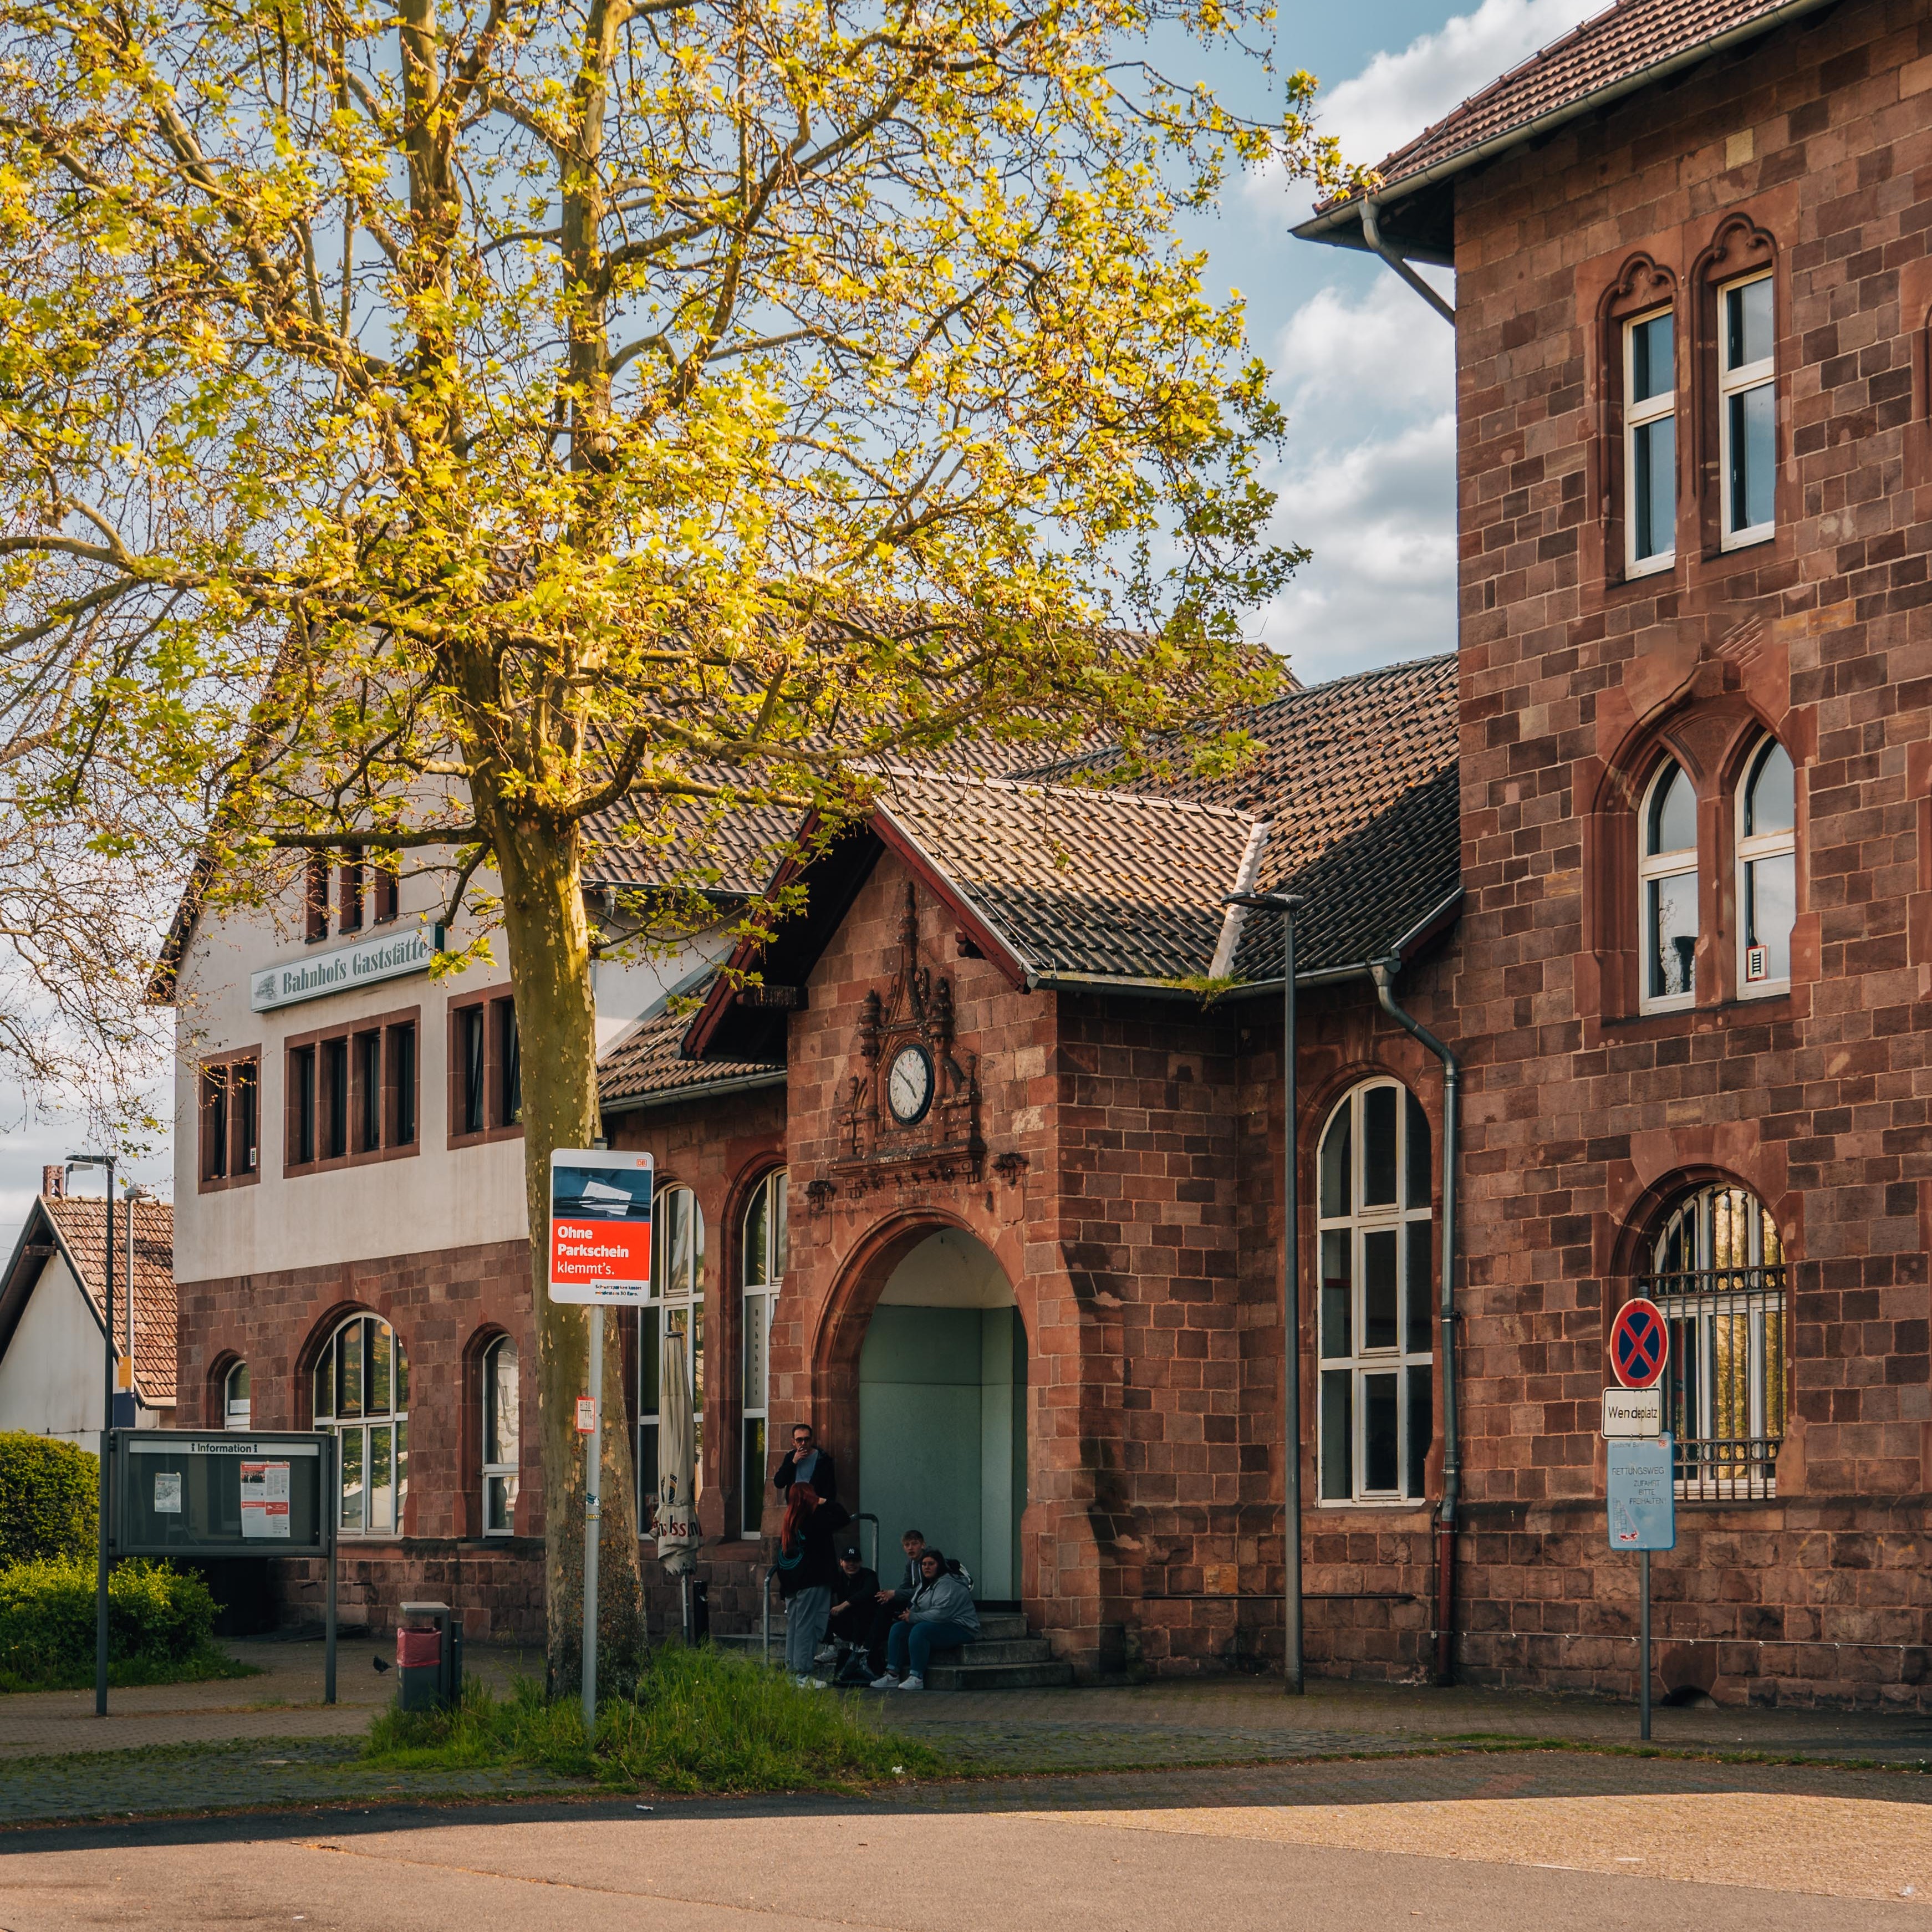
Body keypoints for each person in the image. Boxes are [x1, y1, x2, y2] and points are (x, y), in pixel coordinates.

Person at [871, 1547, 979, 1691]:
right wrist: (909, 1614)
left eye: (931, 1564)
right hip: (938, 1624)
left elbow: (940, 1614)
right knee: (898, 1629)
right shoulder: (926, 1583)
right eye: (924, 1564)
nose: (927, 1567)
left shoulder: (948, 1584)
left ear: (939, 1565)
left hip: (961, 1627)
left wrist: (914, 1617)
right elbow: (917, 1604)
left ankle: (917, 1677)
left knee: (920, 1630)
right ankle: (892, 1675)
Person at [775, 1482, 850, 1686]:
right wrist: (824, 1501)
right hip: (813, 1580)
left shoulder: (790, 1522)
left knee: (795, 1627)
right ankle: (802, 1673)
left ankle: (793, 1673)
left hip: (793, 1584)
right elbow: (843, 1517)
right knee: (809, 1627)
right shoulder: (815, 1518)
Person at [772, 1423, 837, 1504]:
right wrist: (793, 1462)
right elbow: (779, 1483)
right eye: (799, 1440)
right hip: (796, 1505)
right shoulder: (790, 1457)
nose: (803, 1443)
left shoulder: (823, 1458)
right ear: (793, 1442)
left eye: (807, 1439)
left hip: (816, 1505)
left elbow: (831, 1488)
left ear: (812, 1440)